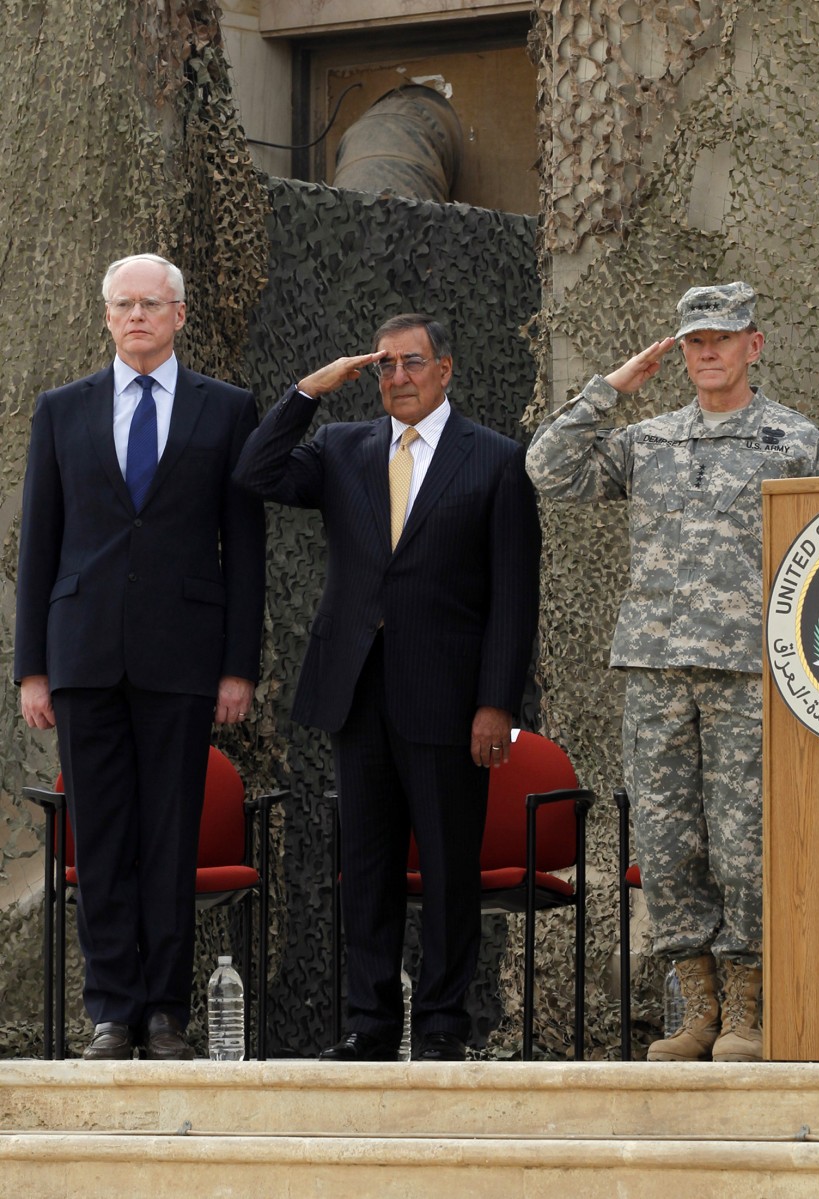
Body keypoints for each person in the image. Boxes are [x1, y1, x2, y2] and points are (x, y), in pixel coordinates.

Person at [526, 282, 819, 1062]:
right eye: (694, 340)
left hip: (750, 669)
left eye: (722, 339)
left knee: (744, 845)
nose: (707, 353)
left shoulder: (793, 442)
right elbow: (547, 468)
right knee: (667, 847)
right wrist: (613, 387)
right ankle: (694, 1009)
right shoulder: (651, 439)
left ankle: (747, 1012)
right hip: (658, 669)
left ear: (752, 346)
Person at [234, 313, 540, 1061]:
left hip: (449, 699)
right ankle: (368, 1024)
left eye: (412, 362)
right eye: (384, 366)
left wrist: (496, 702)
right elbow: (255, 471)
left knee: (446, 869)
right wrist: (311, 388)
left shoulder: (496, 459)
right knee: (365, 868)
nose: (398, 376)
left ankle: (441, 1025)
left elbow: (514, 594)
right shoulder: (343, 447)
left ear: (445, 369)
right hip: (357, 693)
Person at [15, 254, 266, 1061]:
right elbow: (40, 542)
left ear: (179, 315)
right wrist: (31, 667)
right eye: (122, 305)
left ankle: (164, 1014)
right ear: (106, 315)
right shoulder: (62, 410)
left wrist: (238, 666)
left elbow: (246, 551)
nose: (135, 317)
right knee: (102, 836)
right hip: (82, 654)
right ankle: (110, 1013)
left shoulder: (226, 410)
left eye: (150, 305)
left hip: (184, 659)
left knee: (169, 839)